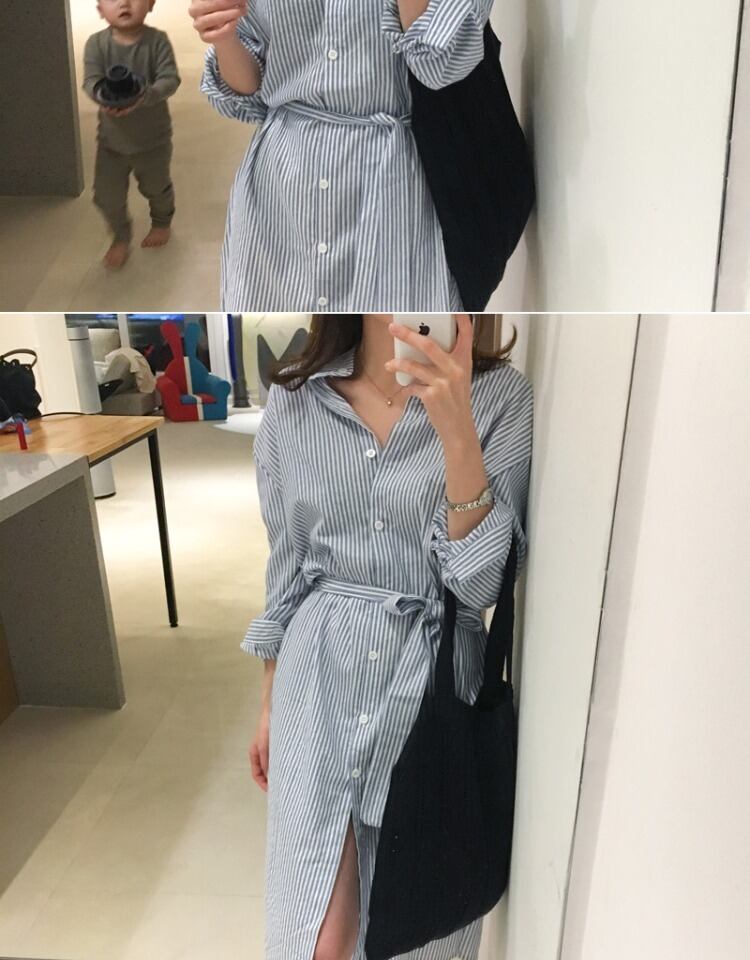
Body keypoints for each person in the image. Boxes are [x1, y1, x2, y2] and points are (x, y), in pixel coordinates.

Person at [244, 314, 534, 959]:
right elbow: (286, 566)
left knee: (416, 927)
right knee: (315, 939)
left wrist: (456, 428)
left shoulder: (500, 397)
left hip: (431, 687)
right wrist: (268, 703)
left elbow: (482, 585)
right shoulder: (296, 401)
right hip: (318, 678)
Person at [190, 0, 494, 312]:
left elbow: (441, 65)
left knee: (402, 327)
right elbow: (250, 91)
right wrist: (223, 37)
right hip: (282, 185)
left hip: (394, 186)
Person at [82, 0, 181, 269]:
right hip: (111, 143)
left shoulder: (157, 42)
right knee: (106, 195)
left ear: (151, 4)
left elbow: (170, 79)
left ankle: (161, 222)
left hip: (153, 141)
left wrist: (145, 95)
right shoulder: (96, 44)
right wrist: (102, 97)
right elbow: (91, 80)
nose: (124, 3)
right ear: (100, 10)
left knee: (156, 187)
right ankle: (120, 235)